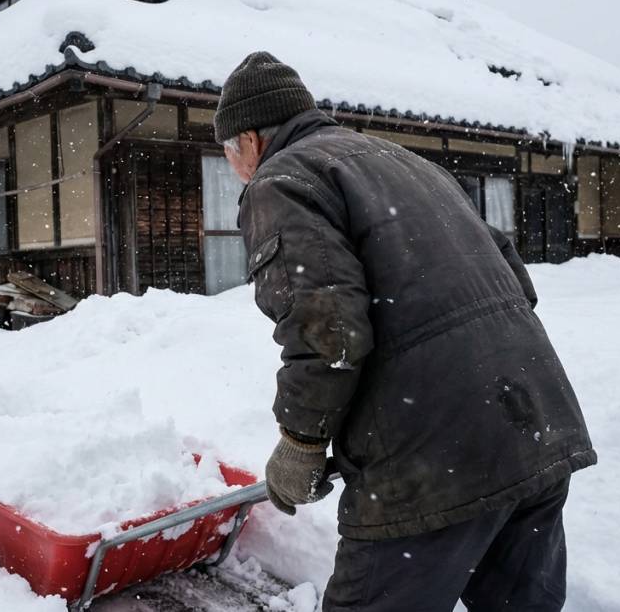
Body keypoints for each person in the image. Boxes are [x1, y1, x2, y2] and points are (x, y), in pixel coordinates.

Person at [216, 51, 596, 611]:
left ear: (249, 140)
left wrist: (301, 442)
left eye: (228, 153)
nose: (234, 168)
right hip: (533, 420)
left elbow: (328, 328)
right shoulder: (408, 162)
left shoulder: (283, 180)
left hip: (431, 460)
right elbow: (514, 277)